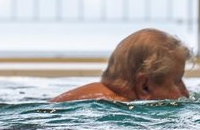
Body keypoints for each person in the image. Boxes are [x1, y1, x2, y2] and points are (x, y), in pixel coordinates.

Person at [50, 28, 192, 102]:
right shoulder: (115, 103)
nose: (185, 92)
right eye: (178, 81)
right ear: (144, 87)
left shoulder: (98, 99)